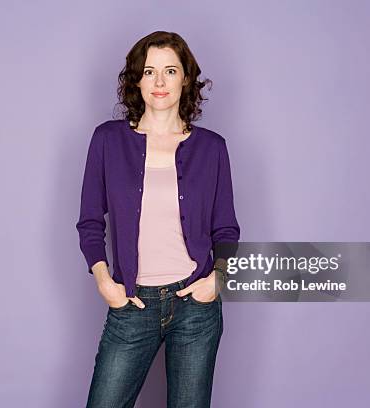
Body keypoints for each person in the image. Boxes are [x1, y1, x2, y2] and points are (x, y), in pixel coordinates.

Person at [76, 30, 240, 408]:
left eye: (170, 70)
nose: (160, 82)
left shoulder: (212, 148)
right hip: (133, 302)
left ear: (186, 78)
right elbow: (89, 221)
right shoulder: (108, 140)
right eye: (149, 72)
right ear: (137, 80)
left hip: (196, 305)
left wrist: (216, 280)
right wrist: (105, 282)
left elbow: (226, 228)